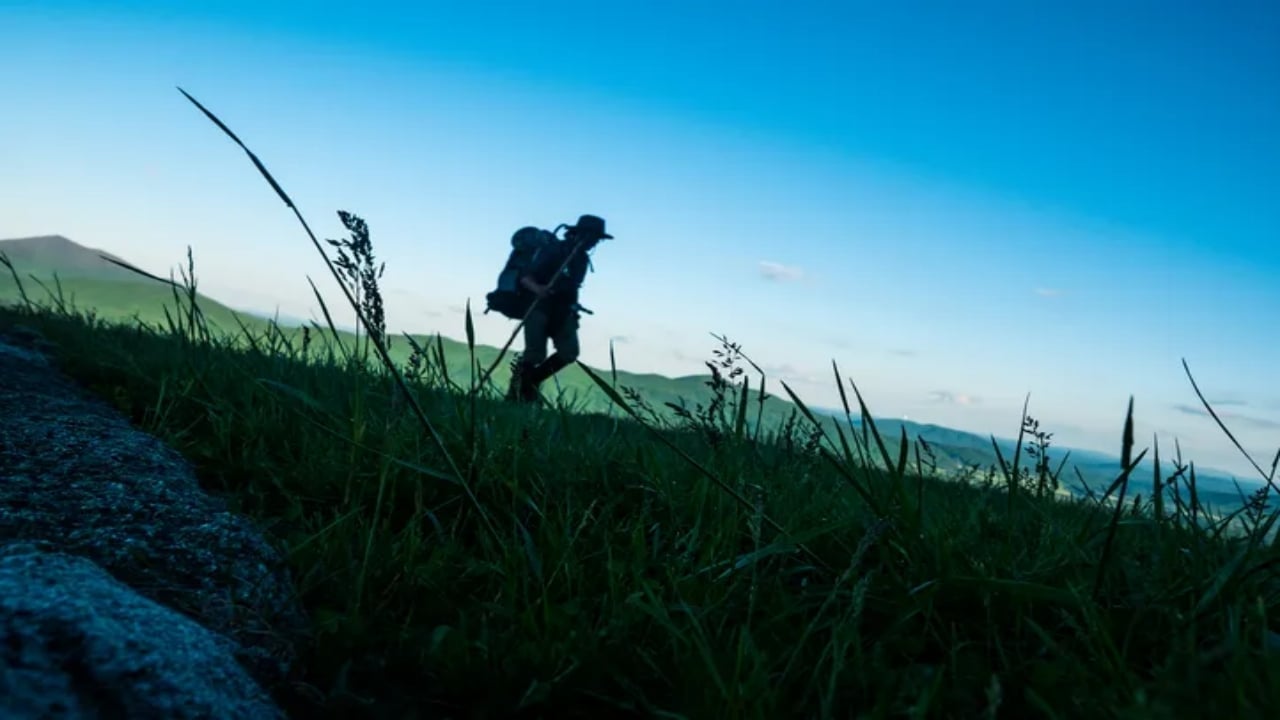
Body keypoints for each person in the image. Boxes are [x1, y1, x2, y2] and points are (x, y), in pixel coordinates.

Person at [507, 214, 614, 403]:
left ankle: (528, 384)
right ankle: (518, 394)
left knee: (569, 352)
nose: (595, 242)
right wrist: (538, 289)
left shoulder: (580, 258)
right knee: (535, 354)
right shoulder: (554, 250)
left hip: (564, 311)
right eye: (594, 237)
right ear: (581, 234)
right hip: (539, 307)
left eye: (597, 239)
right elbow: (525, 277)